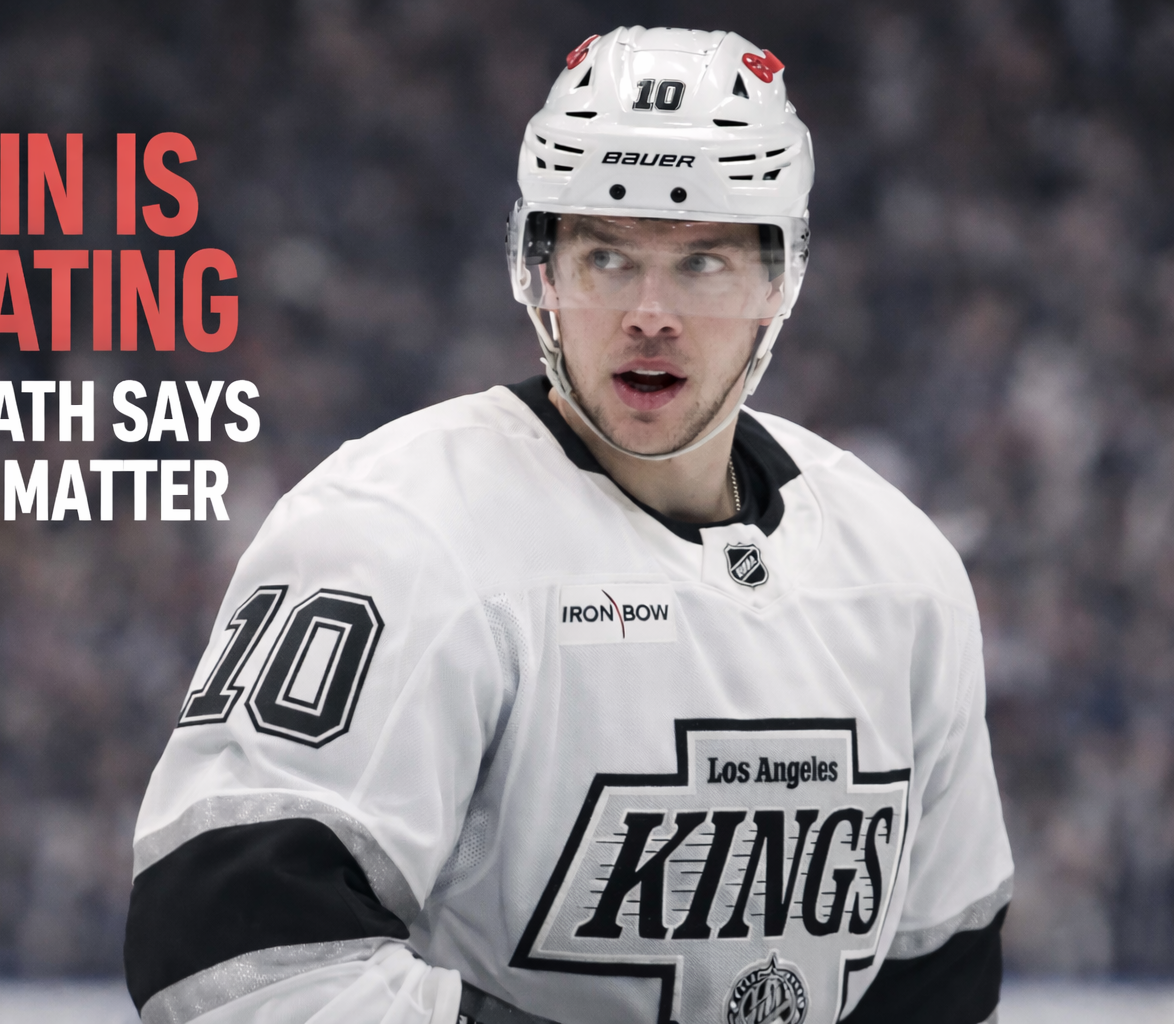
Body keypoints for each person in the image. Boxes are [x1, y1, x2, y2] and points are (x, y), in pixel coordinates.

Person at [124, 25, 1013, 1024]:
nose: (649, 312)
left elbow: (940, 971)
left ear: (779, 279)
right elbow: (226, 954)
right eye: (605, 256)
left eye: (703, 262)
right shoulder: (393, 532)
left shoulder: (899, 570)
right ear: (538, 267)